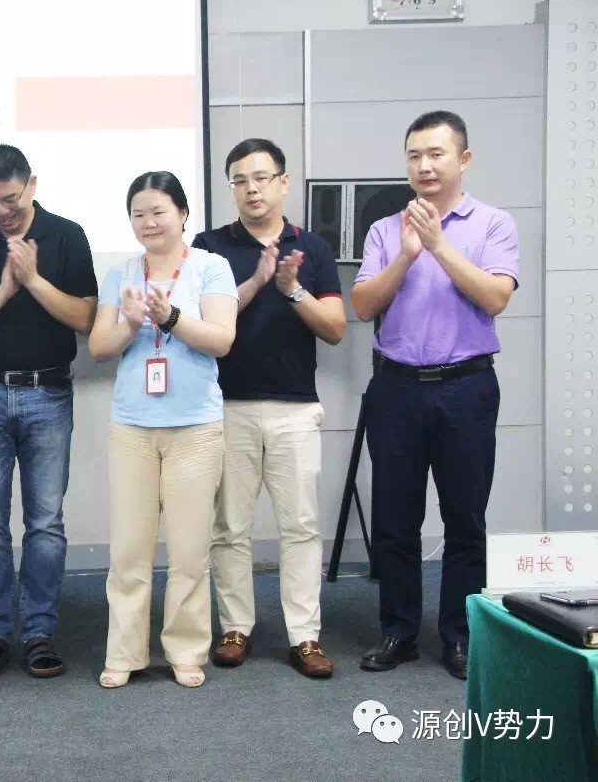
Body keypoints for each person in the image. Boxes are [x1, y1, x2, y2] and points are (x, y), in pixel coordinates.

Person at [353, 111, 518, 681]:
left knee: (465, 519)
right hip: (396, 387)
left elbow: (495, 298)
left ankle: (460, 635)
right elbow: (363, 306)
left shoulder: (493, 224)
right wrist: (405, 253)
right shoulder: (384, 230)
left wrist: (439, 245)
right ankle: (399, 631)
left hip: (466, 386)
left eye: (436, 154)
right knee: (395, 519)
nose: (423, 166)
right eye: (414, 156)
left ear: (463, 160)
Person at [0, 144, 98, 678]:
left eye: (9, 199)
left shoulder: (67, 236)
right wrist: (6, 290)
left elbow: (86, 318)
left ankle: (39, 632)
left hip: (48, 393)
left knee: (45, 522)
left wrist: (33, 281)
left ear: (32, 184)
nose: (1, 212)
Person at [193, 138, 346, 679]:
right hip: (226, 406)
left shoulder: (314, 247)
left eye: (261, 178)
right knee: (229, 526)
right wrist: (258, 282)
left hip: (294, 408)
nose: (251, 189)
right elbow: (204, 320)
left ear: (283, 182)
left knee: (300, 525)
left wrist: (294, 289)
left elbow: (335, 329)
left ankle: (305, 635)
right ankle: (236, 627)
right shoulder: (209, 247)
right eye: (239, 180)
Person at [88, 170, 238, 689]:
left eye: (158, 211)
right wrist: (132, 323)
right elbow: (99, 347)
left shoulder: (211, 268)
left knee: (190, 551)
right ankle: (125, 652)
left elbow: (221, 340)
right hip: (133, 427)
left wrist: (169, 315)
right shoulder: (121, 273)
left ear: (183, 214)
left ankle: (186, 649)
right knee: (128, 551)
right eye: (138, 214)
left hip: (195, 427)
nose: (148, 222)